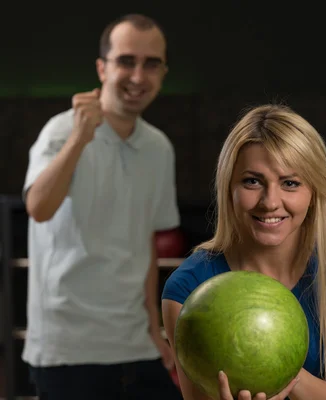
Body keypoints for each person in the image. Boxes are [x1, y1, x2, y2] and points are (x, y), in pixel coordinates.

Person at [161, 104, 326, 400]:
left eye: (291, 183)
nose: (270, 202)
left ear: (314, 192)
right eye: (253, 181)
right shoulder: (187, 288)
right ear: (229, 188)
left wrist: (278, 368)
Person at [21, 13, 182, 399]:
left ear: (162, 72)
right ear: (102, 68)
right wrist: (80, 137)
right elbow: (38, 208)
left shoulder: (159, 147)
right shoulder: (61, 131)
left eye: (151, 63)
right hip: (67, 349)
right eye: (126, 61)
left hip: (135, 344)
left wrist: (153, 329)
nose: (139, 76)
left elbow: (144, 242)